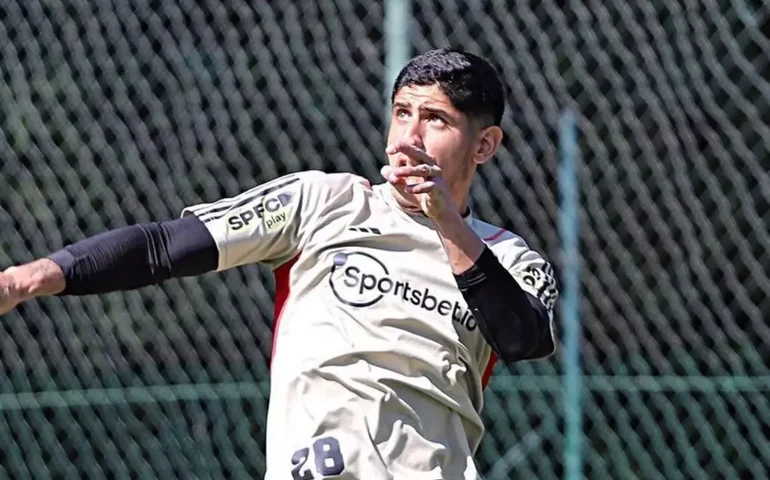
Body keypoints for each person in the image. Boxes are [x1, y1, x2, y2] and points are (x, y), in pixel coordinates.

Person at [0, 48, 558, 479]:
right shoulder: (325, 203)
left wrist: (446, 222)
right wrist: (32, 277)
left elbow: (521, 339)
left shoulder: (507, 257)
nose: (408, 137)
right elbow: (163, 247)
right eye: (401, 113)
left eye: (435, 120)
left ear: (483, 145)